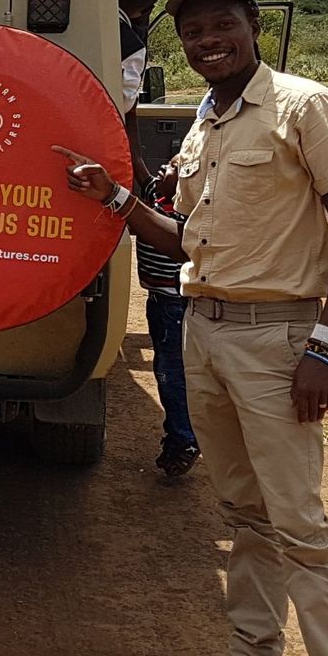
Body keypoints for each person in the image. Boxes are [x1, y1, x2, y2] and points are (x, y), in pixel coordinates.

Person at [52, 0, 328, 656]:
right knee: (240, 514)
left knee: (300, 523)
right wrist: (115, 196)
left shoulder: (303, 106)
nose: (208, 41)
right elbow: (181, 236)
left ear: (251, 23)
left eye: (221, 23)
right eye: (193, 31)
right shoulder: (204, 124)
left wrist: (326, 346)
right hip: (206, 331)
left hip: (278, 338)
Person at [137, 161, 198, 483]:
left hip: (175, 304)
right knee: (169, 370)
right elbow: (136, 160)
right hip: (158, 302)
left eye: (174, 167)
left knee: (171, 374)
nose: (164, 167)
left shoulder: (187, 215)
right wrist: (128, 110)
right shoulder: (154, 195)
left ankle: (184, 440)